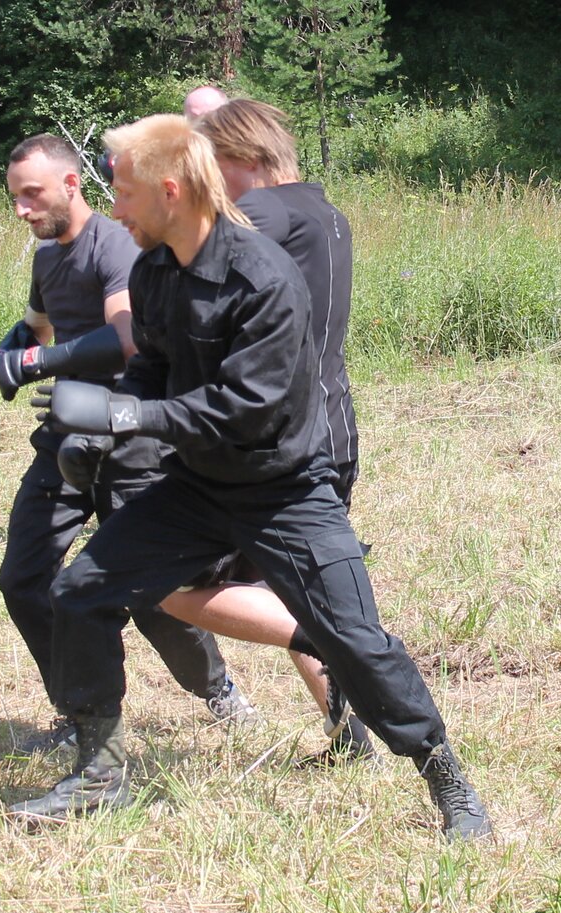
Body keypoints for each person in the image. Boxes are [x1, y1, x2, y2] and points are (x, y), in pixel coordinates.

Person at [15, 114, 492, 842]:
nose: (115, 209)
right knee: (80, 592)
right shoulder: (154, 270)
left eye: (125, 192)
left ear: (171, 190)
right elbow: (152, 368)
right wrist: (99, 432)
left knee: (354, 640)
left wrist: (126, 420)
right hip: (198, 489)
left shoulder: (261, 276)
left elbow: (245, 408)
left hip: (285, 490)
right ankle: (99, 771)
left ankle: (447, 779)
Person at [0, 134, 259, 753]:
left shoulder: (114, 247)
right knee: (23, 580)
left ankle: (217, 690)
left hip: (129, 435)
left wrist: (30, 361)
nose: (20, 209)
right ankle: (82, 716)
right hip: (63, 438)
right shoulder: (48, 256)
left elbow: (125, 340)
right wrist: (3, 353)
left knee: (158, 598)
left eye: (32, 194)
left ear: (72, 185)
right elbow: (40, 326)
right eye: (14, 196)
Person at [153, 97, 375, 766]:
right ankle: (347, 736)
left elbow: (192, 254)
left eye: (211, 167)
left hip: (279, 442)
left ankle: (321, 641)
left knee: (167, 584)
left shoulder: (270, 210)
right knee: (288, 582)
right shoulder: (326, 213)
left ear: (246, 161)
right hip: (330, 426)